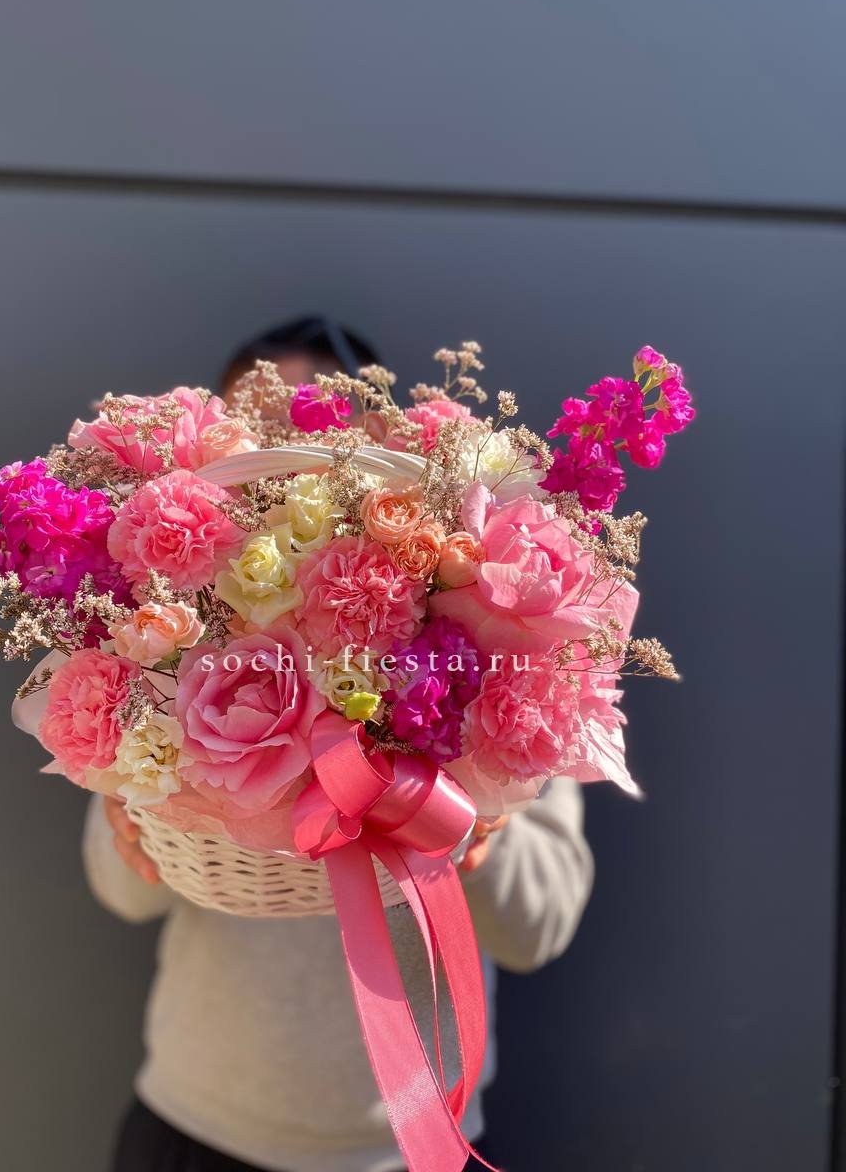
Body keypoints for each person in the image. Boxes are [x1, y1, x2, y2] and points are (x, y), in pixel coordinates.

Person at [87, 316, 595, 1172]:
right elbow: (122, 894)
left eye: (314, 421)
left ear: (379, 440)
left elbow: (539, 928)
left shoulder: (494, 656)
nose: (285, 454)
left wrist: (464, 809)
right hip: (198, 1124)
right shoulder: (167, 643)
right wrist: (135, 810)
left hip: (412, 1144)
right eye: (256, 429)